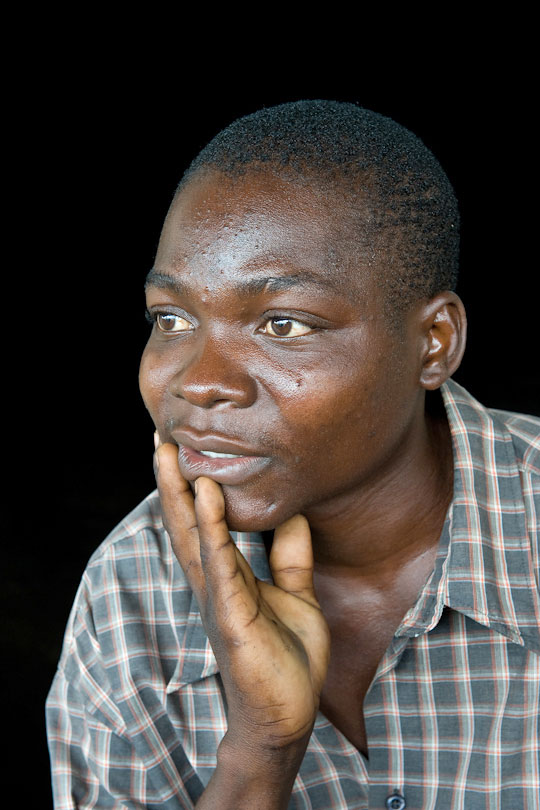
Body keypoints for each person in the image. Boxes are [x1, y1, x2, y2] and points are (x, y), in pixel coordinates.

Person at [46, 100, 540, 810]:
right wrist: (262, 752)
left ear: (434, 343)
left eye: (284, 323)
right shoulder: (130, 594)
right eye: (172, 319)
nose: (199, 380)